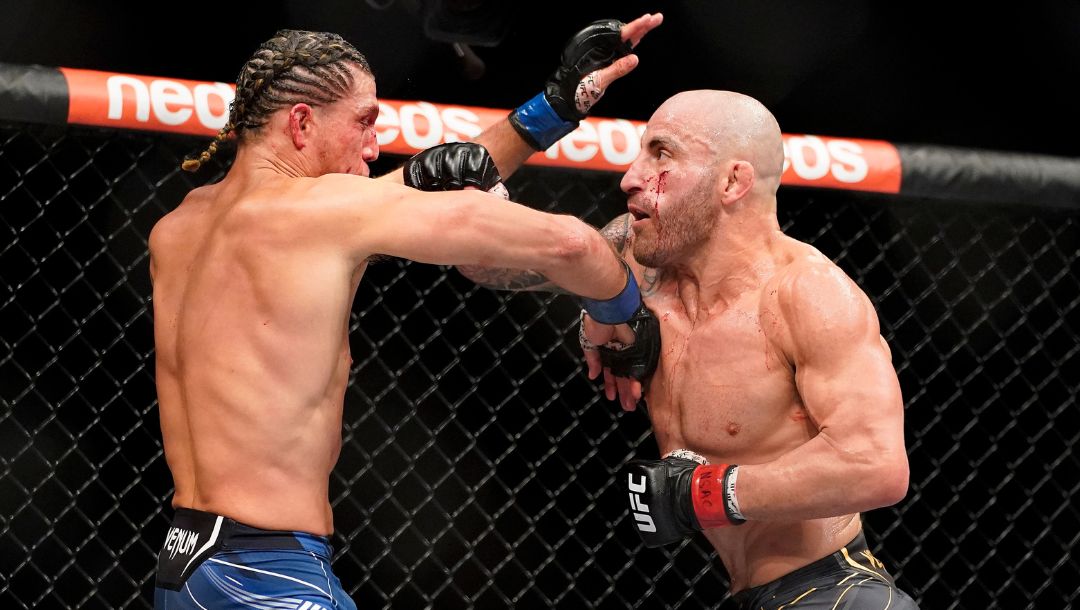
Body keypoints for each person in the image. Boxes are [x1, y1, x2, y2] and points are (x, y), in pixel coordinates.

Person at [148, 15, 662, 609]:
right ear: (301, 122)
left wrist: (555, 105)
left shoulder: (179, 225)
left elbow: (427, 180)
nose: (374, 146)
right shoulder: (327, 213)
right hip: (268, 576)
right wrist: (622, 312)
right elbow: (572, 245)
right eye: (364, 123)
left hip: (188, 563)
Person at [460, 90, 919, 608]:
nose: (631, 177)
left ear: (732, 182)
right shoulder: (636, 263)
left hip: (834, 590)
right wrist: (551, 108)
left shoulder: (807, 294)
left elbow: (876, 466)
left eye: (662, 154)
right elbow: (480, 257)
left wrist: (698, 494)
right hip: (746, 593)